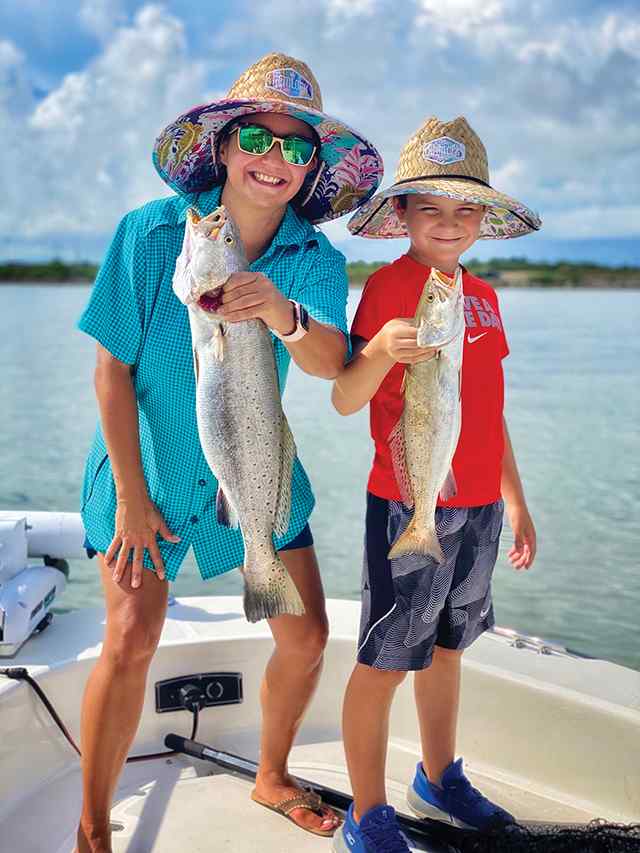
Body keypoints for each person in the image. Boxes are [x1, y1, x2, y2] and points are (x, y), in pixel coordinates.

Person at [74, 52, 383, 853]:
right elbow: (110, 373)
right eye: (256, 137)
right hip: (144, 467)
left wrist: (281, 312)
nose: (274, 158)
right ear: (222, 144)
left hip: (257, 461)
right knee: (131, 637)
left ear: (313, 167)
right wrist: (131, 499)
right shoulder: (150, 233)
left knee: (306, 637)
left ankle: (272, 774)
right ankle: (91, 829)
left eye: (296, 146)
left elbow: (332, 363)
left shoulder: (313, 259)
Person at [331, 116, 541, 852]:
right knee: (386, 661)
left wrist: (515, 498)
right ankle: (365, 811)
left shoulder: (483, 295)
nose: (448, 223)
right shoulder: (387, 287)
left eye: (464, 209)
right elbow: (345, 398)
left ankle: (438, 775)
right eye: (430, 208)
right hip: (408, 502)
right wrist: (381, 353)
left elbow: (486, 407)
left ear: (483, 218)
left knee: (449, 649)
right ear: (402, 214)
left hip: (479, 507)